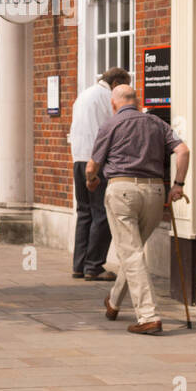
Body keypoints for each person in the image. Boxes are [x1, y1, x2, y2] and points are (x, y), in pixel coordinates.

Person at [86, 84, 190, 335]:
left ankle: (149, 316)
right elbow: (183, 150)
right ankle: (113, 302)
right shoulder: (155, 122)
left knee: (131, 254)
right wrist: (177, 185)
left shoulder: (111, 125)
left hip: (122, 190)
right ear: (136, 100)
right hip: (155, 192)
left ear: (114, 104)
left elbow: (91, 167)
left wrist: (91, 181)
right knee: (133, 252)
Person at [68, 67, 131, 281]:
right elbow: (116, 128)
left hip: (78, 158)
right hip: (96, 160)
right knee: (102, 213)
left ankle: (79, 265)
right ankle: (94, 266)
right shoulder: (108, 98)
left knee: (84, 212)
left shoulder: (84, 95)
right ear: (115, 84)